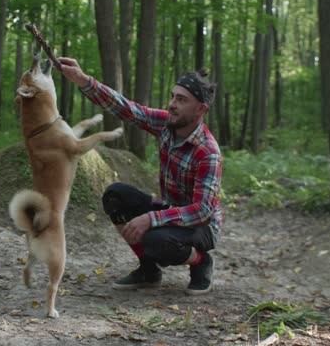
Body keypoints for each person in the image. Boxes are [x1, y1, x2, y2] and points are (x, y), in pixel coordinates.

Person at [58, 57, 222, 295]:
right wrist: (83, 81)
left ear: (201, 110)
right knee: (116, 196)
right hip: (169, 209)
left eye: (182, 99)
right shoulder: (167, 124)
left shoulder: (208, 152)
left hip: (202, 226)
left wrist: (151, 219)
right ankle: (149, 271)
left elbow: (202, 210)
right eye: (173, 96)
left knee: (156, 240)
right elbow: (127, 108)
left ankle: (200, 261)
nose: (172, 104)